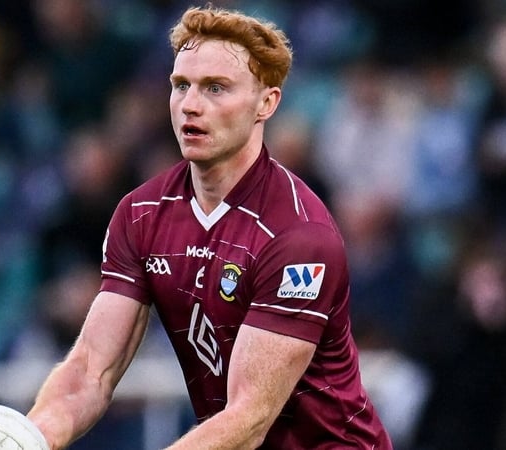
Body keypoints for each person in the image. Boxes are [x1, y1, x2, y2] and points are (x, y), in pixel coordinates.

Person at [27, 5, 392, 449]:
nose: (191, 106)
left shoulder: (299, 236)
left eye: (216, 88)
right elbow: (88, 373)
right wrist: (26, 439)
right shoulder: (140, 213)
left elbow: (248, 420)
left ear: (267, 103)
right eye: (181, 86)